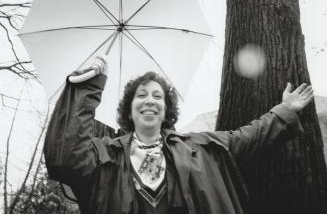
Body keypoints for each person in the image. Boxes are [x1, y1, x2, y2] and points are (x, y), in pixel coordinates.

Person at [44, 56, 314, 214]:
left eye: (157, 96)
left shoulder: (201, 147)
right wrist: (88, 86)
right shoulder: (106, 155)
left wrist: (284, 110)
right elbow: (66, 155)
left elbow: (248, 137)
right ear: (130, 108)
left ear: (165, 109)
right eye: (141, 95)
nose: (149, 100)